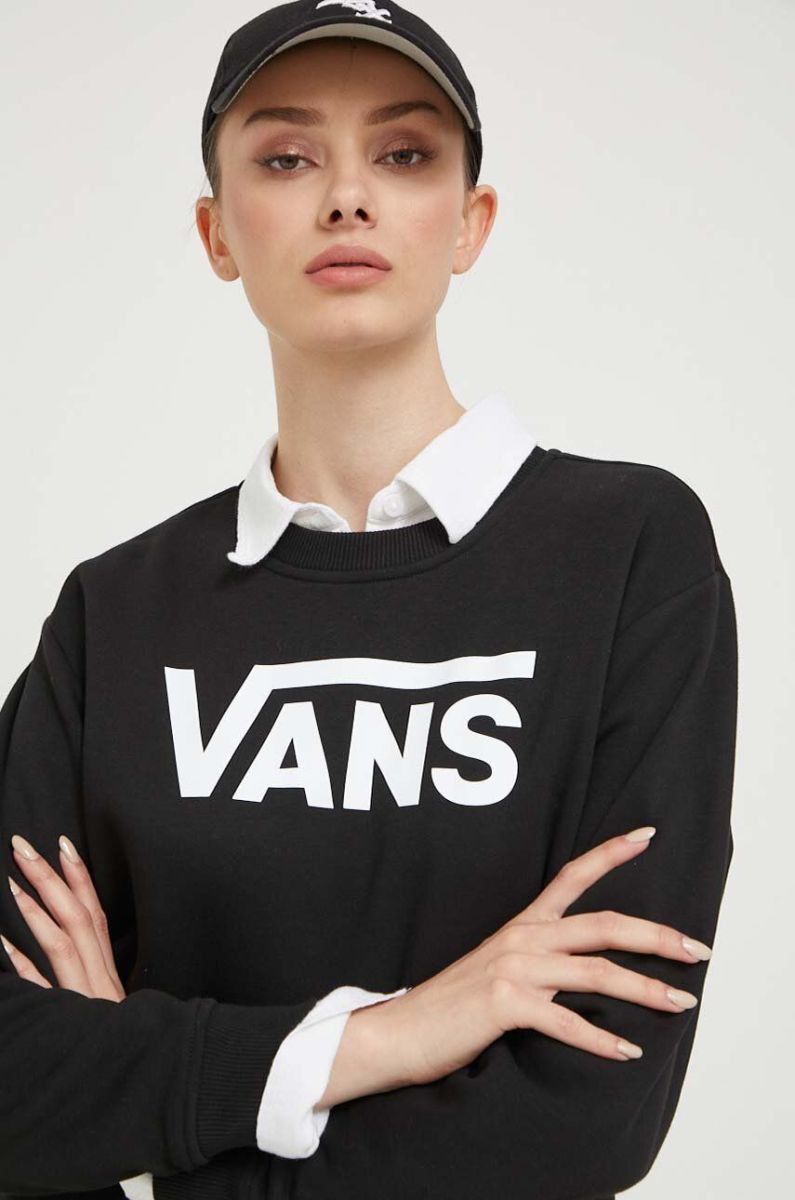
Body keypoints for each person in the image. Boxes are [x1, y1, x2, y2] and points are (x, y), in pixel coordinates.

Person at [0, 3, 737, 1199]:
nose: (348, 198)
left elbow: (590, 1115)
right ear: (218, 233)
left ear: (470, 222)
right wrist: (391, 1034)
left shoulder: (630, 555)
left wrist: (153, 1127)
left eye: (403, 154)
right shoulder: (117, 614)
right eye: (288, 159)